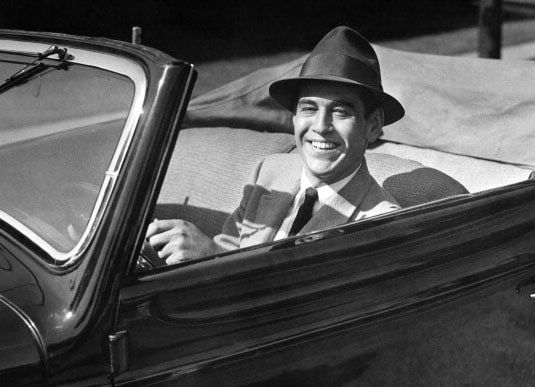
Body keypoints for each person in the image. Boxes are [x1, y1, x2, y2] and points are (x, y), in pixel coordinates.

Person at [146, 26, 405, 264]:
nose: (320, 126)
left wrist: (211, 255)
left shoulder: (379, 224)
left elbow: (312, 305)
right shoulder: (269, 173)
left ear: (372, 126)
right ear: (294, 118)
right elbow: (229, 249)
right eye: (309, 108)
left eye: (340, 112)